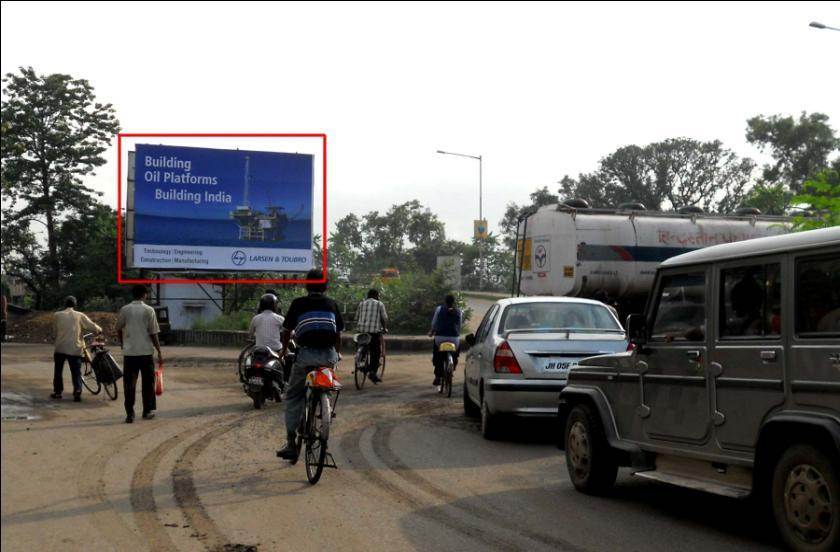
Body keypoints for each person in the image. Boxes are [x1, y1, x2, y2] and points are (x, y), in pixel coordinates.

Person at [276, 269, 343, 460]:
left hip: (305, 356)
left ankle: (290, 442)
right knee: (327, 385)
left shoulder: (298, 304)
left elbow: (287, 330)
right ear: (325, 285)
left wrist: (283, 351)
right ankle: (325, 407)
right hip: (328, 356)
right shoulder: (332, 304)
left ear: (307, 285)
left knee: (294, 395)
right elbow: (338, 335)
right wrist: (336, 354)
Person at [116, 285, 163, 423]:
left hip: (130, 353)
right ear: (144, 295)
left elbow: (118, 328)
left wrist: (122, 343)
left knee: (129, 384)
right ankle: (147, 411)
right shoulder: (149, 310)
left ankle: (130, 414)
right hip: (146, 353)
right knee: (148, 384)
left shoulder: (125, 309)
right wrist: (159, 351)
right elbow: (153, 333)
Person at [51, 296, 102, 401]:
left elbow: (54, 333)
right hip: (75, 348)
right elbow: (92, 326)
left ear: (65, 304)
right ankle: (77, 391)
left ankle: (57, 392)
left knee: (58, 370)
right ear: (75, 305)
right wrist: (99, 330)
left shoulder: (57, 315)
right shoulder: (79, 315)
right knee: (76, 371)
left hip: (60, 347)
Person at [428, 294, 462, 390]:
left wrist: (432, 331)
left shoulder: (439, 309)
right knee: (456, 352)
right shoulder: (459, 311)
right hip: (454, 339)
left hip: (440, 338)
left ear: (445, 301)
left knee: (437, 355)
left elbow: (434, 323)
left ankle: (438, 377)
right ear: (453, 302)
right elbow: (459, 325)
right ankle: (453, 365)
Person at [354, 288, 388, 384]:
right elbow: (384, 318)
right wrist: (385, 328)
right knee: (376, 352)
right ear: (376, 295)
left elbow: (356, 317)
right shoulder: (379, 304)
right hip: (373, 333)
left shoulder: (361, 304)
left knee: (361, 346)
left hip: (361, 332)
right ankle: (372, 371)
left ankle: (360, 360)